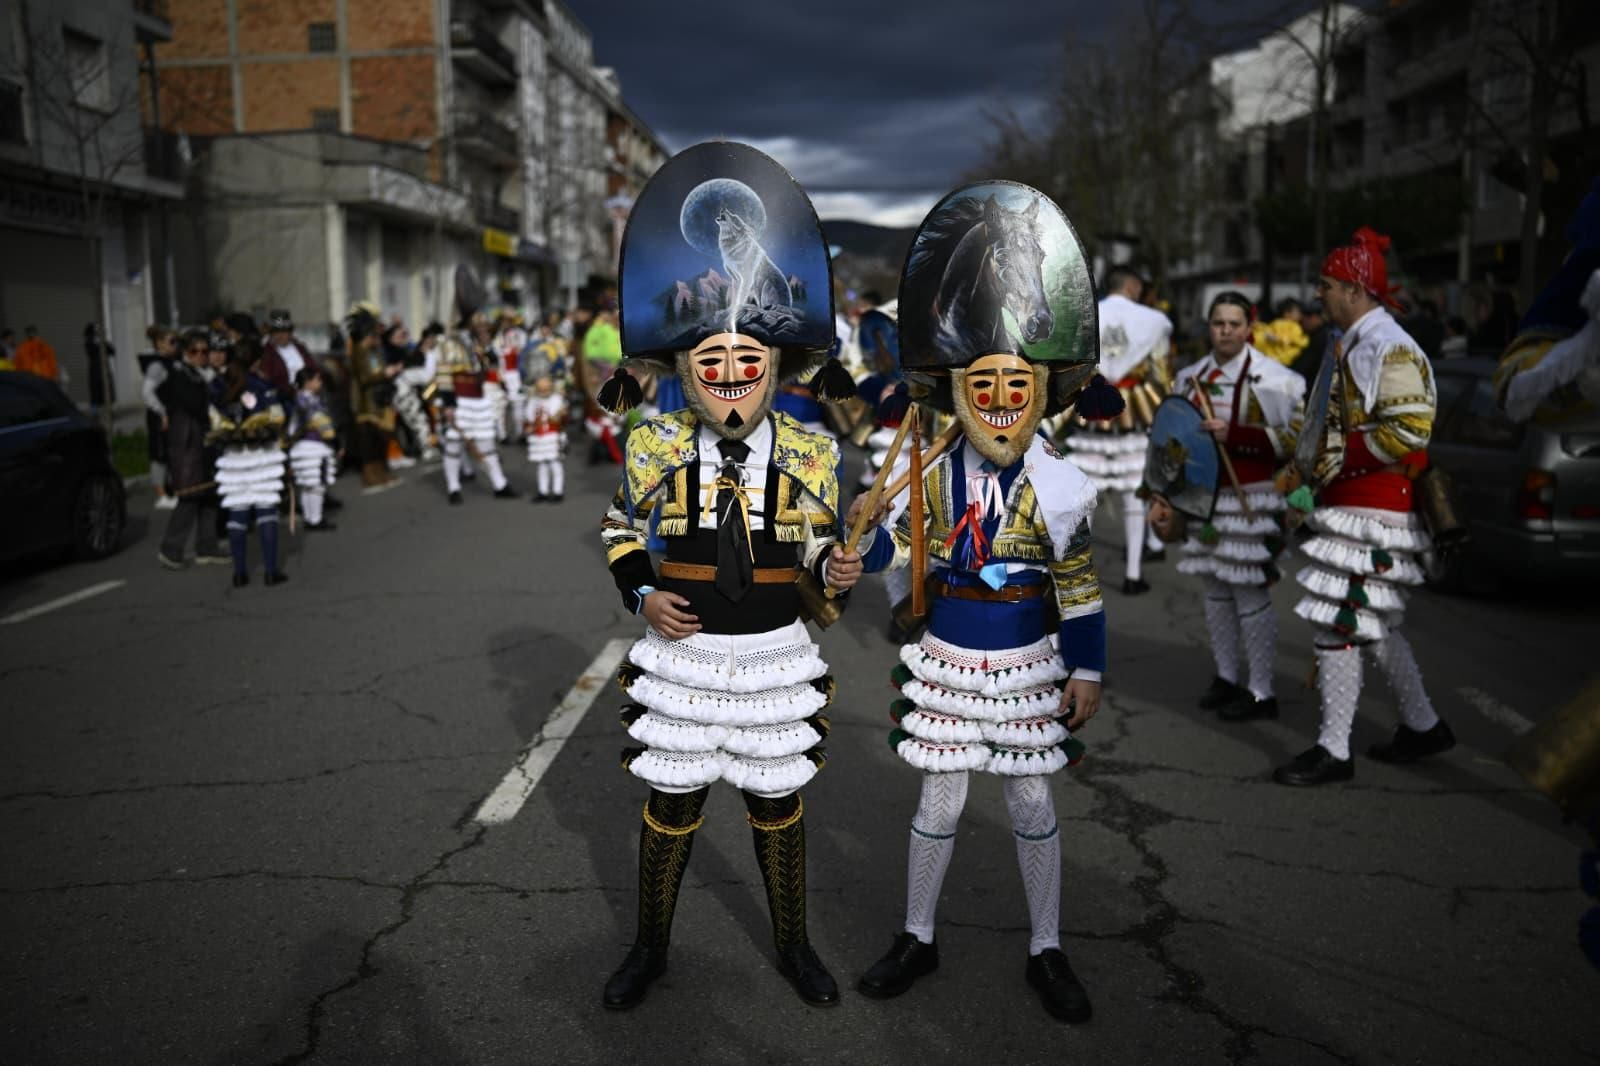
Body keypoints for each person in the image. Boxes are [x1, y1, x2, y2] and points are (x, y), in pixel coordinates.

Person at [596, 141, 861, 1011]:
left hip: (779, 647)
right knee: (671, 805)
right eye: (713, 368)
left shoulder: (816, 450)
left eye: (749, 365)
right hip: (687, 654)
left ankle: (794, 947)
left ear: (774, 369)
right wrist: (641, 592)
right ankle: (648, 949)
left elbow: (820, 546)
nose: (733, 381)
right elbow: (618, 527)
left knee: (777, 802)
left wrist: (837, 563)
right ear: (688, 375)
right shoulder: (654, 442)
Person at [848, 181, 1110, 1025]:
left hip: (1032, 659)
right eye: (984, 383)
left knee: (1032, 801)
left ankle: (1047, 947)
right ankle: (917, 935)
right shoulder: (925, 473)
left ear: (1038, 391)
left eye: (1015, 385)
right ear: (959, 387)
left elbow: (1077, 584)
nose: (999, 400)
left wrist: (1090, 668)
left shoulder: (1063, 484)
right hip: (951, 656)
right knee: (940, 801)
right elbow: (898, 552)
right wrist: (860, 547)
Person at [1275, 226, 1455, 787]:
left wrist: (1332, 460)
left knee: (1340, 625)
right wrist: (1308, 471)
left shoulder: (1388, 345)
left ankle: (1334, 749)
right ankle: (1424, 725)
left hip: (1373, 508)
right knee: (1376, 624)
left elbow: (1409, 429)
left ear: (1355, 288)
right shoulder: (1355, 342)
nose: (1319, 296)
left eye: (1327, 285)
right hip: (1354, 503)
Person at [1157, 292, 1305, 720]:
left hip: (1253, 495)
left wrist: (1236, 435)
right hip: (1204, 497)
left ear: (1249, 326)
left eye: (1234, 323)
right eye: (1219, 323)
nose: (1226, 331)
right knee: (1215, 588)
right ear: (1209, 327)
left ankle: (1261, 689)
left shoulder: (1279, 379)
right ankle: (1225, 676)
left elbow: (1298, 443)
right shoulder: (1190, 377)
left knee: (1248, 588)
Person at [1062, 267, 1172, 594]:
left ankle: (1081, 573)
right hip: (1132, 408)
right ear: (1132, 286)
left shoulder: (1082, 316)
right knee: (1132, 496)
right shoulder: (1154, 320)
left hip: (1091, 406)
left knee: (1085, 496)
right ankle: (1133, 574)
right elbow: (1160, 372)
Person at [210, 338, 289, 588]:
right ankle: (270, 571)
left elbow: (212, 420)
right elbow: (278, 417)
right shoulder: (261, 385)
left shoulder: (217, 384)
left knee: (238, 511)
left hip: (233, 457)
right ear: (255, 361)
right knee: (266, 510)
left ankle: (240, 573)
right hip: (261, 455)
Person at [434, 291, 517, 505]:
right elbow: (443, 374)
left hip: (479, 399)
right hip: (459, 398)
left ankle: (500, 484)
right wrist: (449, 404)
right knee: (453, 445)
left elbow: (488, 365)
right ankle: (453, 487)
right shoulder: (447, 343)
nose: (482, 327)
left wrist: (486, 350)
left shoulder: (477, 344)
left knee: (486, 443)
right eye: (477, 322)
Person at [155, 328, 227, 569]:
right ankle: (171, 548)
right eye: (194, 351)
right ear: (185, 352)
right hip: (187, 444)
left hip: (203, 442)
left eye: (205, 351)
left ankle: (207, 546)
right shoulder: (180, 374)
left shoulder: (199, 374)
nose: (201, 356)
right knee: (189, 495)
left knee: (209, 495)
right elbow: (194, 403)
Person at [346, 303, 400, 490]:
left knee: (379, 440)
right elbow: (364, 377)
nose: (377, 336)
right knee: (368, 442)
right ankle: (370, 475)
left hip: (379, 401)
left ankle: (381, 472)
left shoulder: (375, 350)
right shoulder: (359, 350)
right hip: (365, 403)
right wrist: (386, 373)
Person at [287, 366, 339, 532]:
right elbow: (320, 425)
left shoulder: (301, 399)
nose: (320, 383)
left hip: (302, 447)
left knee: (307, 484)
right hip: (313, 446)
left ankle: (311, 518)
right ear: (307, 382)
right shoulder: (307, 401)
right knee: (316, 484)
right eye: (317, 379)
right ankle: (315, 519)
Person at [140, 326, 179, 510]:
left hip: (168, 415)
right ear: (160, 344)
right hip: (159, 417)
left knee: (168, 452)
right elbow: (147, 393)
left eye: (176, 341)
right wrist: (162, 413)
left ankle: (170, 491)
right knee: (159, 454)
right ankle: (161, 495)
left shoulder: (170, 362)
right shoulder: (157, 365)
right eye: (172, 342)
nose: (175, 345)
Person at [523, 375, 566, 502]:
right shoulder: (533, 400)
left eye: (545, 388)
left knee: (554, 463)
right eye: (540, 388)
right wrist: (530, 426)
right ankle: (543, 491)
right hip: (538, 437)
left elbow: (557, 418)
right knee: (541, 464)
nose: (543, 391)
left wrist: (557, 416)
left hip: (552, 435)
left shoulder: (557, 399)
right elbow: (529, 416)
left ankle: (558, 492)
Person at [258, 309, 312, 397]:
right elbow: (267, 379)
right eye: (276, 332)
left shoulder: (300, 348)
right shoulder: (267, 353)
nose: (280, 336)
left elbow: (313, 369)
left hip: (308, 394)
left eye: (284, 331)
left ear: (290, 332)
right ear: (271, 334)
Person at [1252, 297, 1311, 366]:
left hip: (1279, 360)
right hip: (1274, 359)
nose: (1300, 315)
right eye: (1298, 312)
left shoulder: (1296, 327)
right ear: (1287, 313)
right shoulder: (1278, 324)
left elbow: (1297, 344)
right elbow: (1266, 332)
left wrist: (1280, 339)